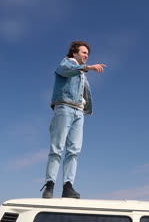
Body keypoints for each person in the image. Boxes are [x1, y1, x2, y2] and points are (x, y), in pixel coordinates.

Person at [40, 41, 106, 199]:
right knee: (57, 148)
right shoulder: (67, 63)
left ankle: (67, 186)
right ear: (74, 53)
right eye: (83, 52)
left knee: (74, 150)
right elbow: (65, 71)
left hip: (78, 112)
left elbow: (84, 93)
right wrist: (88, 67)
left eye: (87, 54)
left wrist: (85, 108)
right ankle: (49, 185)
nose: (86, 55)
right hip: (64, 107)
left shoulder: (82, 74)